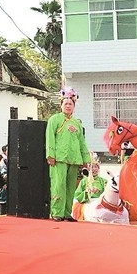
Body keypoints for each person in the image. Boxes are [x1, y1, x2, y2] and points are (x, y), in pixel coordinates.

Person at [45, 88, 91, 222]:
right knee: (58, 185)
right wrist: (50, 155)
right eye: (65, 103)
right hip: (59, 158)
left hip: (74, 158)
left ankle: (67, 213)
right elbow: (50, 137)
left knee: (71, 187)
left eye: (71, 104)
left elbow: (82, 142)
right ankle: (57, 212)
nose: (68, 106)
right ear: (61, 105)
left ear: (74, 107)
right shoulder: (54, 119)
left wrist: (85, 159)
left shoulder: (77, 123)